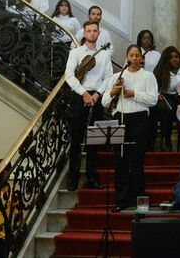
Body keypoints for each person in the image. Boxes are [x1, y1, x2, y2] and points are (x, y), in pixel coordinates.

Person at [102, 45, 158, 211]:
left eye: (137, 55)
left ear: (142, 59)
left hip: (139, 119)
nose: (134, 58)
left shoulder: (148, 76)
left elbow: (153, 99)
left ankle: (138, 199)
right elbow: (104, 102)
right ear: (126, 57)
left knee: (137, 160)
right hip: (120, 118)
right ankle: (121, 200)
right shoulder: (117, 76)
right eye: (131, 55)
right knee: (120, 160)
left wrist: (134, 94)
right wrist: (112, 92)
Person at [65, 21, 113, 191]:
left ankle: (92, 177)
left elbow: (108, 77)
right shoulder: (75, 53)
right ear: (84, 33)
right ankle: (73, 176)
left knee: (95, 140)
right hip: (80, 96)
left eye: (95, 31)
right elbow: (69, 76)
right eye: (89, 31)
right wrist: (84, 93)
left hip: (96, 97)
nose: (92, 33)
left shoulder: (104, 55)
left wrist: (97, 94)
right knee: (76, 138)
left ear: (99, 34)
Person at [153, 46, 180, 151]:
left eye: (176, 57)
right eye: (171, 57)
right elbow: (154, 88)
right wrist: (158, 95)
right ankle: (167, 140)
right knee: (166, 111)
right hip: (165, 97)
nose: (174, 59)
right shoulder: (160, 71)